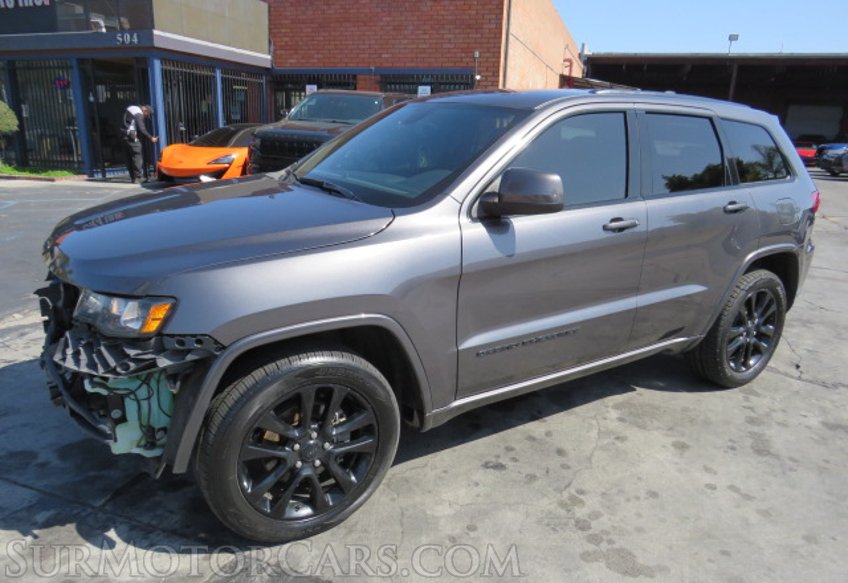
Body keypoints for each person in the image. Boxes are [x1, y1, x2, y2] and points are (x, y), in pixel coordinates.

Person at [122, 104, 158, 183]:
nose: (145, 117)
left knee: (128, 157)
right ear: (145, 110)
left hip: (124, 135)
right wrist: (151, 137)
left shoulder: (131, 109)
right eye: (147, 115)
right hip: (132, 136)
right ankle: (138, 177)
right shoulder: (138, 113)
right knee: (137, 155)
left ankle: (133, 177)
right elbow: (142, 129)